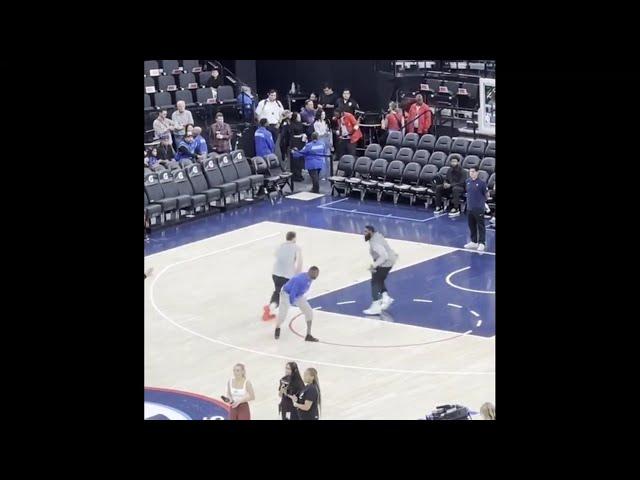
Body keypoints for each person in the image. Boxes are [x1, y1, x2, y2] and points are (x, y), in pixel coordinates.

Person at [263, 231, 303, 321]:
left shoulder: (280, 246)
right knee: (285, 296)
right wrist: (298, 275)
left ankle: (269, 309)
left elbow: (275, 255)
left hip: (275, 273)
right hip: (287, 276)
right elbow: (299, 263)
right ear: (294, 238)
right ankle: (271, 308)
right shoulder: (297, 248)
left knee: (277, 292)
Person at [275, 266, 320, 342]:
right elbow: (293, 292)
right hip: (286, 294)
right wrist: (291, 302)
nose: (316, 275)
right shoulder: (300, 280)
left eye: (317, 274)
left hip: (298, 295)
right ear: (309, 272)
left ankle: (308, 335)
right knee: (283, 314)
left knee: (309, 312)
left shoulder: (310, 278)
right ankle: (278, 327)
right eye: (315, 274)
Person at [363, 225, 398, 315]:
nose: (364, 233)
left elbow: (384, 256)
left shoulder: (375, 242)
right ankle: (386, 297)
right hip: (389, 259)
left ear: (371, 232)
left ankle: (376, 306)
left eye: (366, 232)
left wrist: (374, 265)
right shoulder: (377, 235)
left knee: (375, 282)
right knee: (379, 278)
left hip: (385, 262)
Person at [464, 167, 488, 252]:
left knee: (481, 226)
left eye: (473, 171)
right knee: (471, 225)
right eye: (470, 171)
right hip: (470, 208)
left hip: (479, 208)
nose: (471, 173)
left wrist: (481, 203)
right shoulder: (467, 182)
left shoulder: (482, 183)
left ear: (477, 173)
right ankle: (474, 241)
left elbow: (486, 195)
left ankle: (482, 243)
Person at [313, 109, 333, 178]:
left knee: (328, 158)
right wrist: (324, 133)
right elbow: (317, 133)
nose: (323, 116)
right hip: (320, 141)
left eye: (324, 114)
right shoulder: (316, 123)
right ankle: (322, 175)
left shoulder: (326, 122)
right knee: (322, 158)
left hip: (326, 141)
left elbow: (329, 131)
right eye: (322, 114)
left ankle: (329, 174)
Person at [289, 112, 307, 182]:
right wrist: (293, 146)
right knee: (295, 161)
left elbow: (302, 131)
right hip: (295, 143)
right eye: (298, 117)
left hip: (301, 142)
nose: (299, 118)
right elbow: (291, 136)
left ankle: (300, 174)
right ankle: (295, 176)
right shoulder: (291, 125)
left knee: (300, 160)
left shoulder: (300, 124)